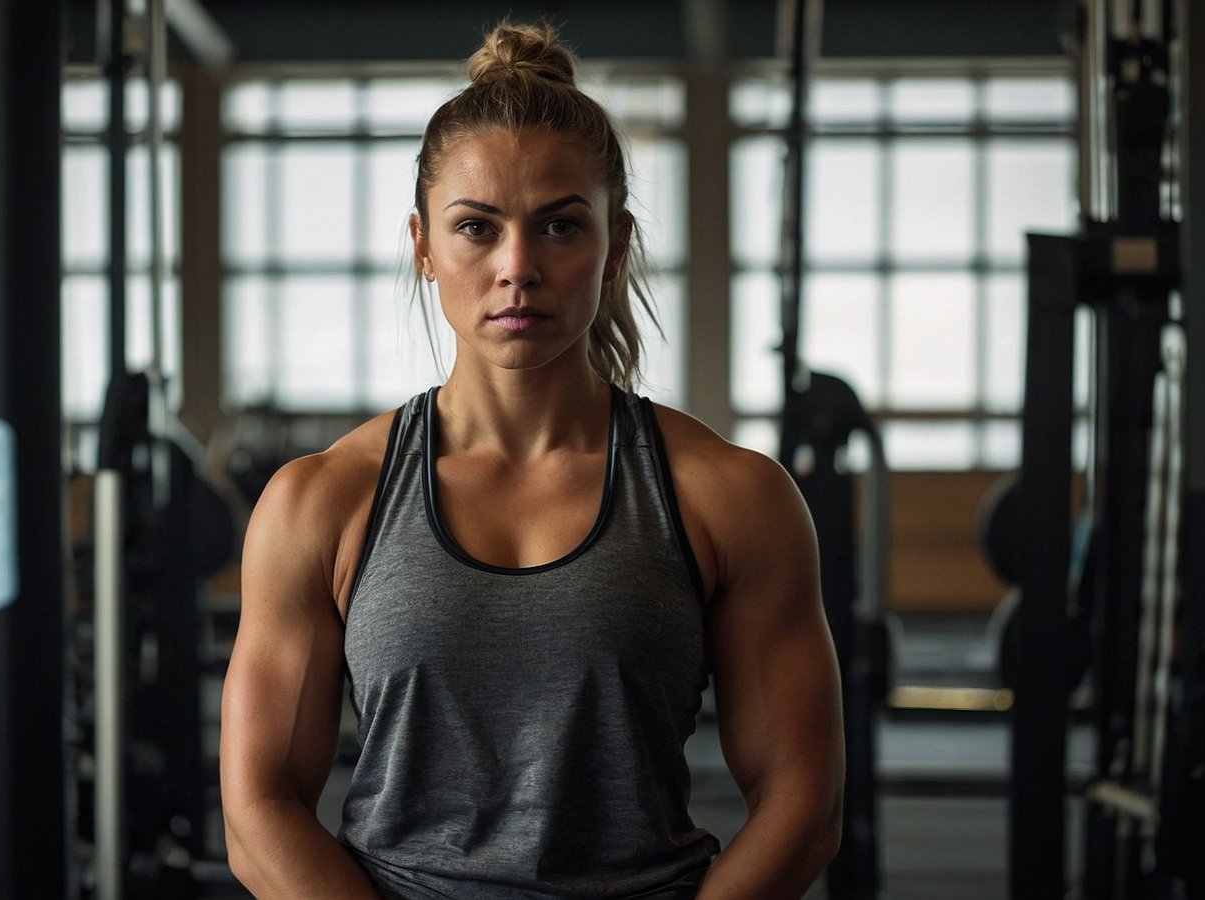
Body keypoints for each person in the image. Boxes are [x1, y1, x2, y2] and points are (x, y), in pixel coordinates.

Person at [220, 19, 843, 899]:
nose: (518, 267)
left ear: (614, 244)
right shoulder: (321, 503)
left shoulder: (730, 499)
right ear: (424, 248)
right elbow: (259, 810)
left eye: (559, 227)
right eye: (477, 228)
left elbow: (802, 800)